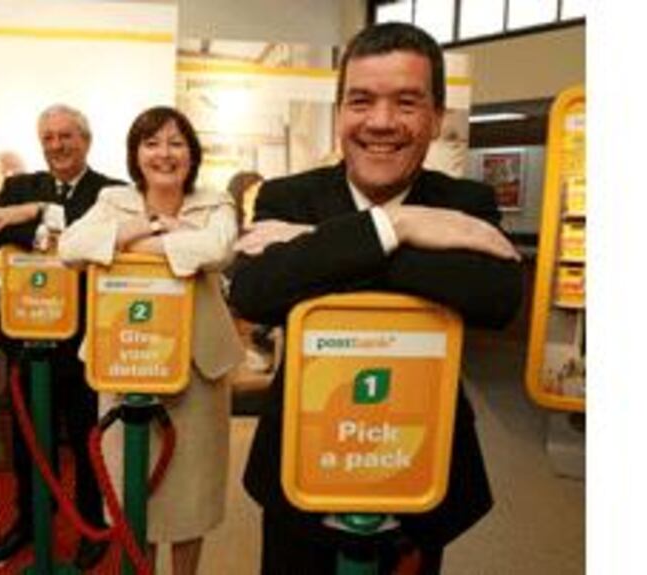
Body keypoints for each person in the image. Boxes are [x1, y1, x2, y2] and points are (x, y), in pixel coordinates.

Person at [228, 22, 523, 575]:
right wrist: (397, 225)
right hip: (302, 458)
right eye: (361, 101)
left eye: (407, 102)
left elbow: (495, 296)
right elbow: (255, 291)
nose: (382, 122)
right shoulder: (288, 194)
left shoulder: (467, 201)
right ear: (341, 112)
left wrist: (320, 247)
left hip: (419, 460)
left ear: (436, 117)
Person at [59, 105, 244, 575]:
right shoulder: (112, 199)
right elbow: (71, 248)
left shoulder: (216, 200)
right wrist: (156, 228)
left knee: (191, 497)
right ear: (135, 153)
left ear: (192, 153)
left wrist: (122, 246)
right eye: (152, 142)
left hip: (198, 367)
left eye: (176, 143)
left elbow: (217, 250)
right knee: (130, 490)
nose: (165, 153)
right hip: (127, 354)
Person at [0, 103, 123, 569]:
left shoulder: (111, 193)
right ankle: (29, 521)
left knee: (85, 437)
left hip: (81, 340)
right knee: (28, 439)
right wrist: (32, 212)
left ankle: (89, 524)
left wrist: (38, 212)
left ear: (86, 140)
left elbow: (100, 234)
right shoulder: (17, 185)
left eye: (66, 136)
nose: (56, 145)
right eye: (48, 138)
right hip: (26, 333)